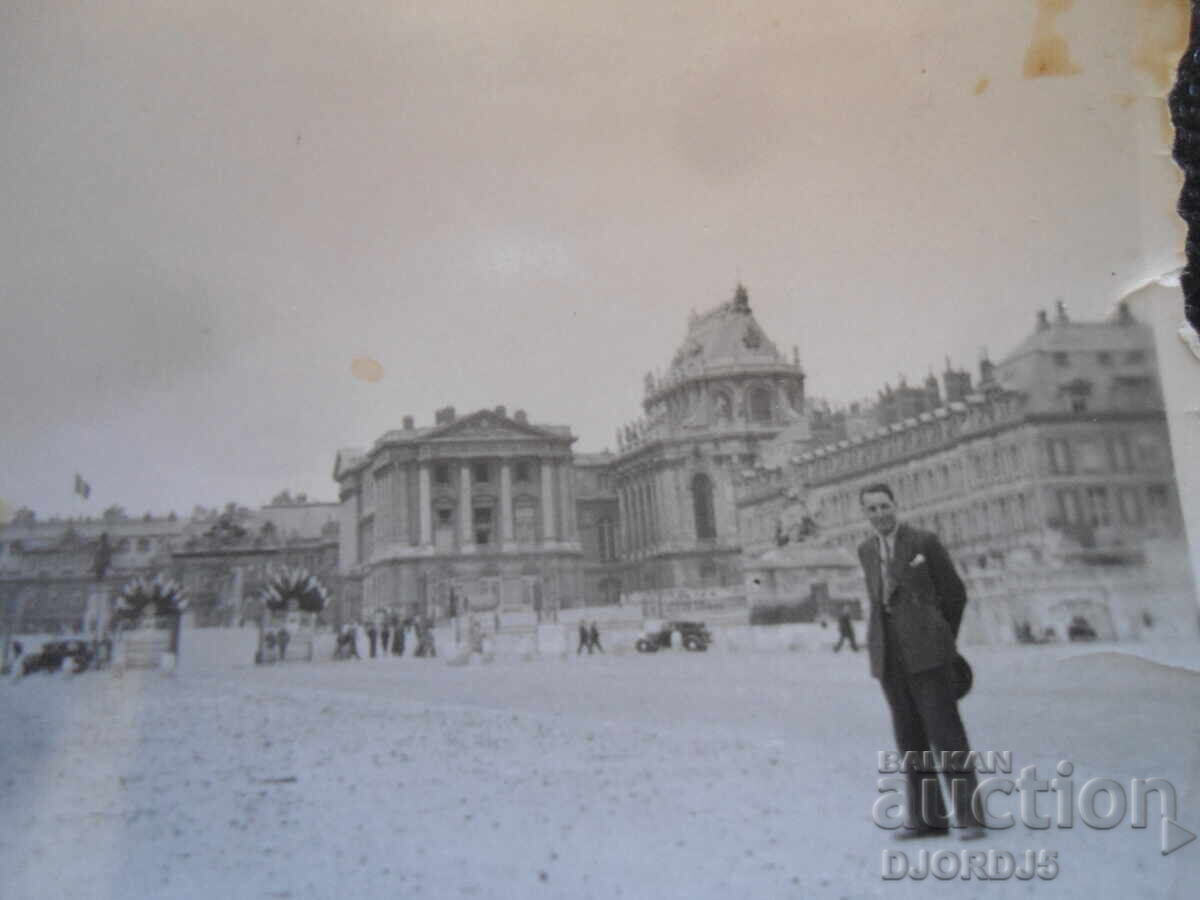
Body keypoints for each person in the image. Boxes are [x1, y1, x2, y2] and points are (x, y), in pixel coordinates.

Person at [856, 483, 984, 841]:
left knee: (946, 735)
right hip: (889, 656)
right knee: (909, 738)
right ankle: (928, 819)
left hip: (928, 653)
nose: (880, 514)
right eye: (872, 509)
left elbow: (955, 594)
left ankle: (970, 817)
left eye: (885, 506)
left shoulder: (924, 542)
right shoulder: (865, 550)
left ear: (896, 506)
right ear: (864, 515)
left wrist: (940, 636)